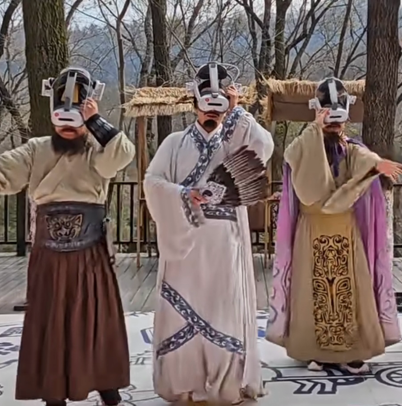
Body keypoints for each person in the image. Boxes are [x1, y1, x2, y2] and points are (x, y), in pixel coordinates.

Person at [0, 67, 135, 405]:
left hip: (91, 250)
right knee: (51, 317)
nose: (67, 127)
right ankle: (54, 390)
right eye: (61, 121)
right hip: (48, 251)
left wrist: (96, 121)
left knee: (97, 317)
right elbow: (4, 172)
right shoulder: (36, 149)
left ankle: (105, 382)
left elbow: (122, 154)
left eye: (74, 121)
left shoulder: (97, 149)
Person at [144, 62, 274, 404]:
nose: (211, 114)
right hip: (185, 239)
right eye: (206, 107)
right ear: (194, 105)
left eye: (219, 107)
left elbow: (263, 149)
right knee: (181, 309)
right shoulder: (174, 143)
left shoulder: (234, 142)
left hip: (224, 242)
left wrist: (238, 111)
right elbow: (152, 181)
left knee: (224, 309)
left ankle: (225, 384)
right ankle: (183, 382)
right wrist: (183, 194)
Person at [266, 77, 402, 373]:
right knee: (311, 291)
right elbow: (293, 158)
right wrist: (315, 128)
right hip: (311, 229)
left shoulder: (350, 148)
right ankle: (314, 350)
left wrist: (377, 164)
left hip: (344, 230)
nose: (333, 124)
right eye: (328, 117)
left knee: (348, 291)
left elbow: (364, 157)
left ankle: (351, 350)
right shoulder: (305, 143)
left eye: (338, 119)